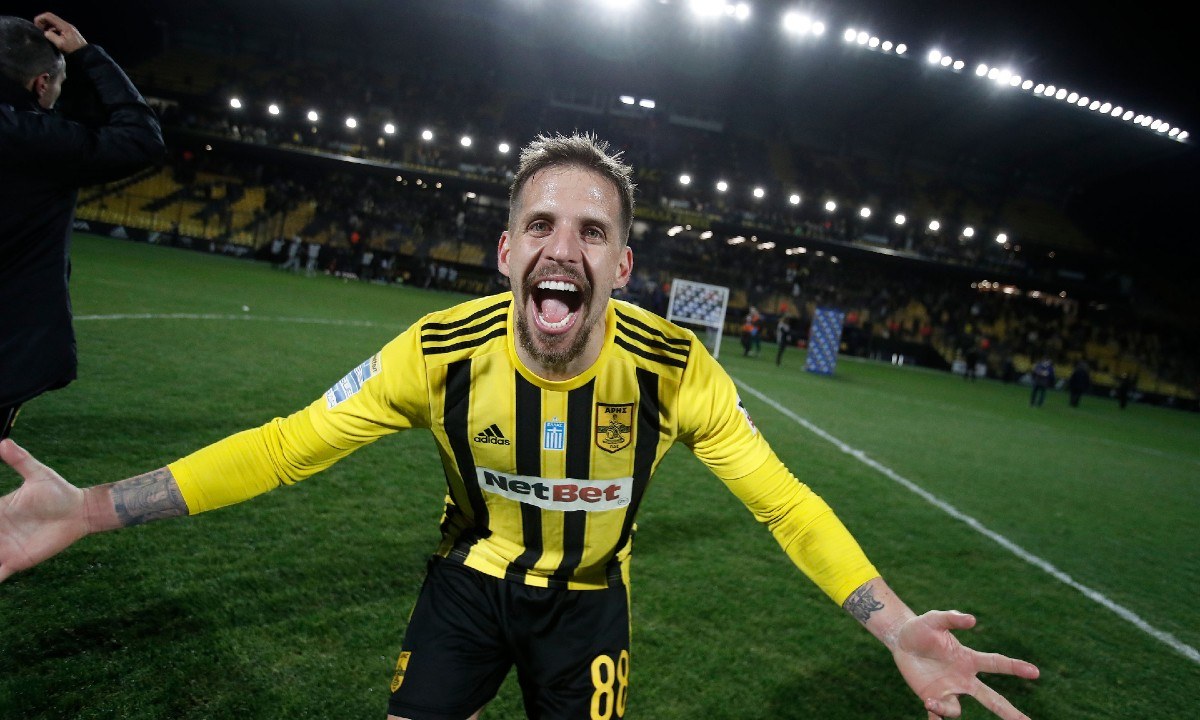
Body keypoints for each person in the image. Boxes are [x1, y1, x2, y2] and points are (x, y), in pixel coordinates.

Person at [0, 133, 1039, 720]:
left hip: (589, 608)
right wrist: (90, 509)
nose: (563, 247)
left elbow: (786, 505)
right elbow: (282, 448)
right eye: (540, 223)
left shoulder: (677, 371)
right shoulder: (437, 354)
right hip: (466, 588)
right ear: (507, 253)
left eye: (592, 231)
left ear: (621, 267)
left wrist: (893, 623)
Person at [0, 12, 166, 439]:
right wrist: (88, 54)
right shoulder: (34, 139)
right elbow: (141, 139)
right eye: (59, 83)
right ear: (41, 84)